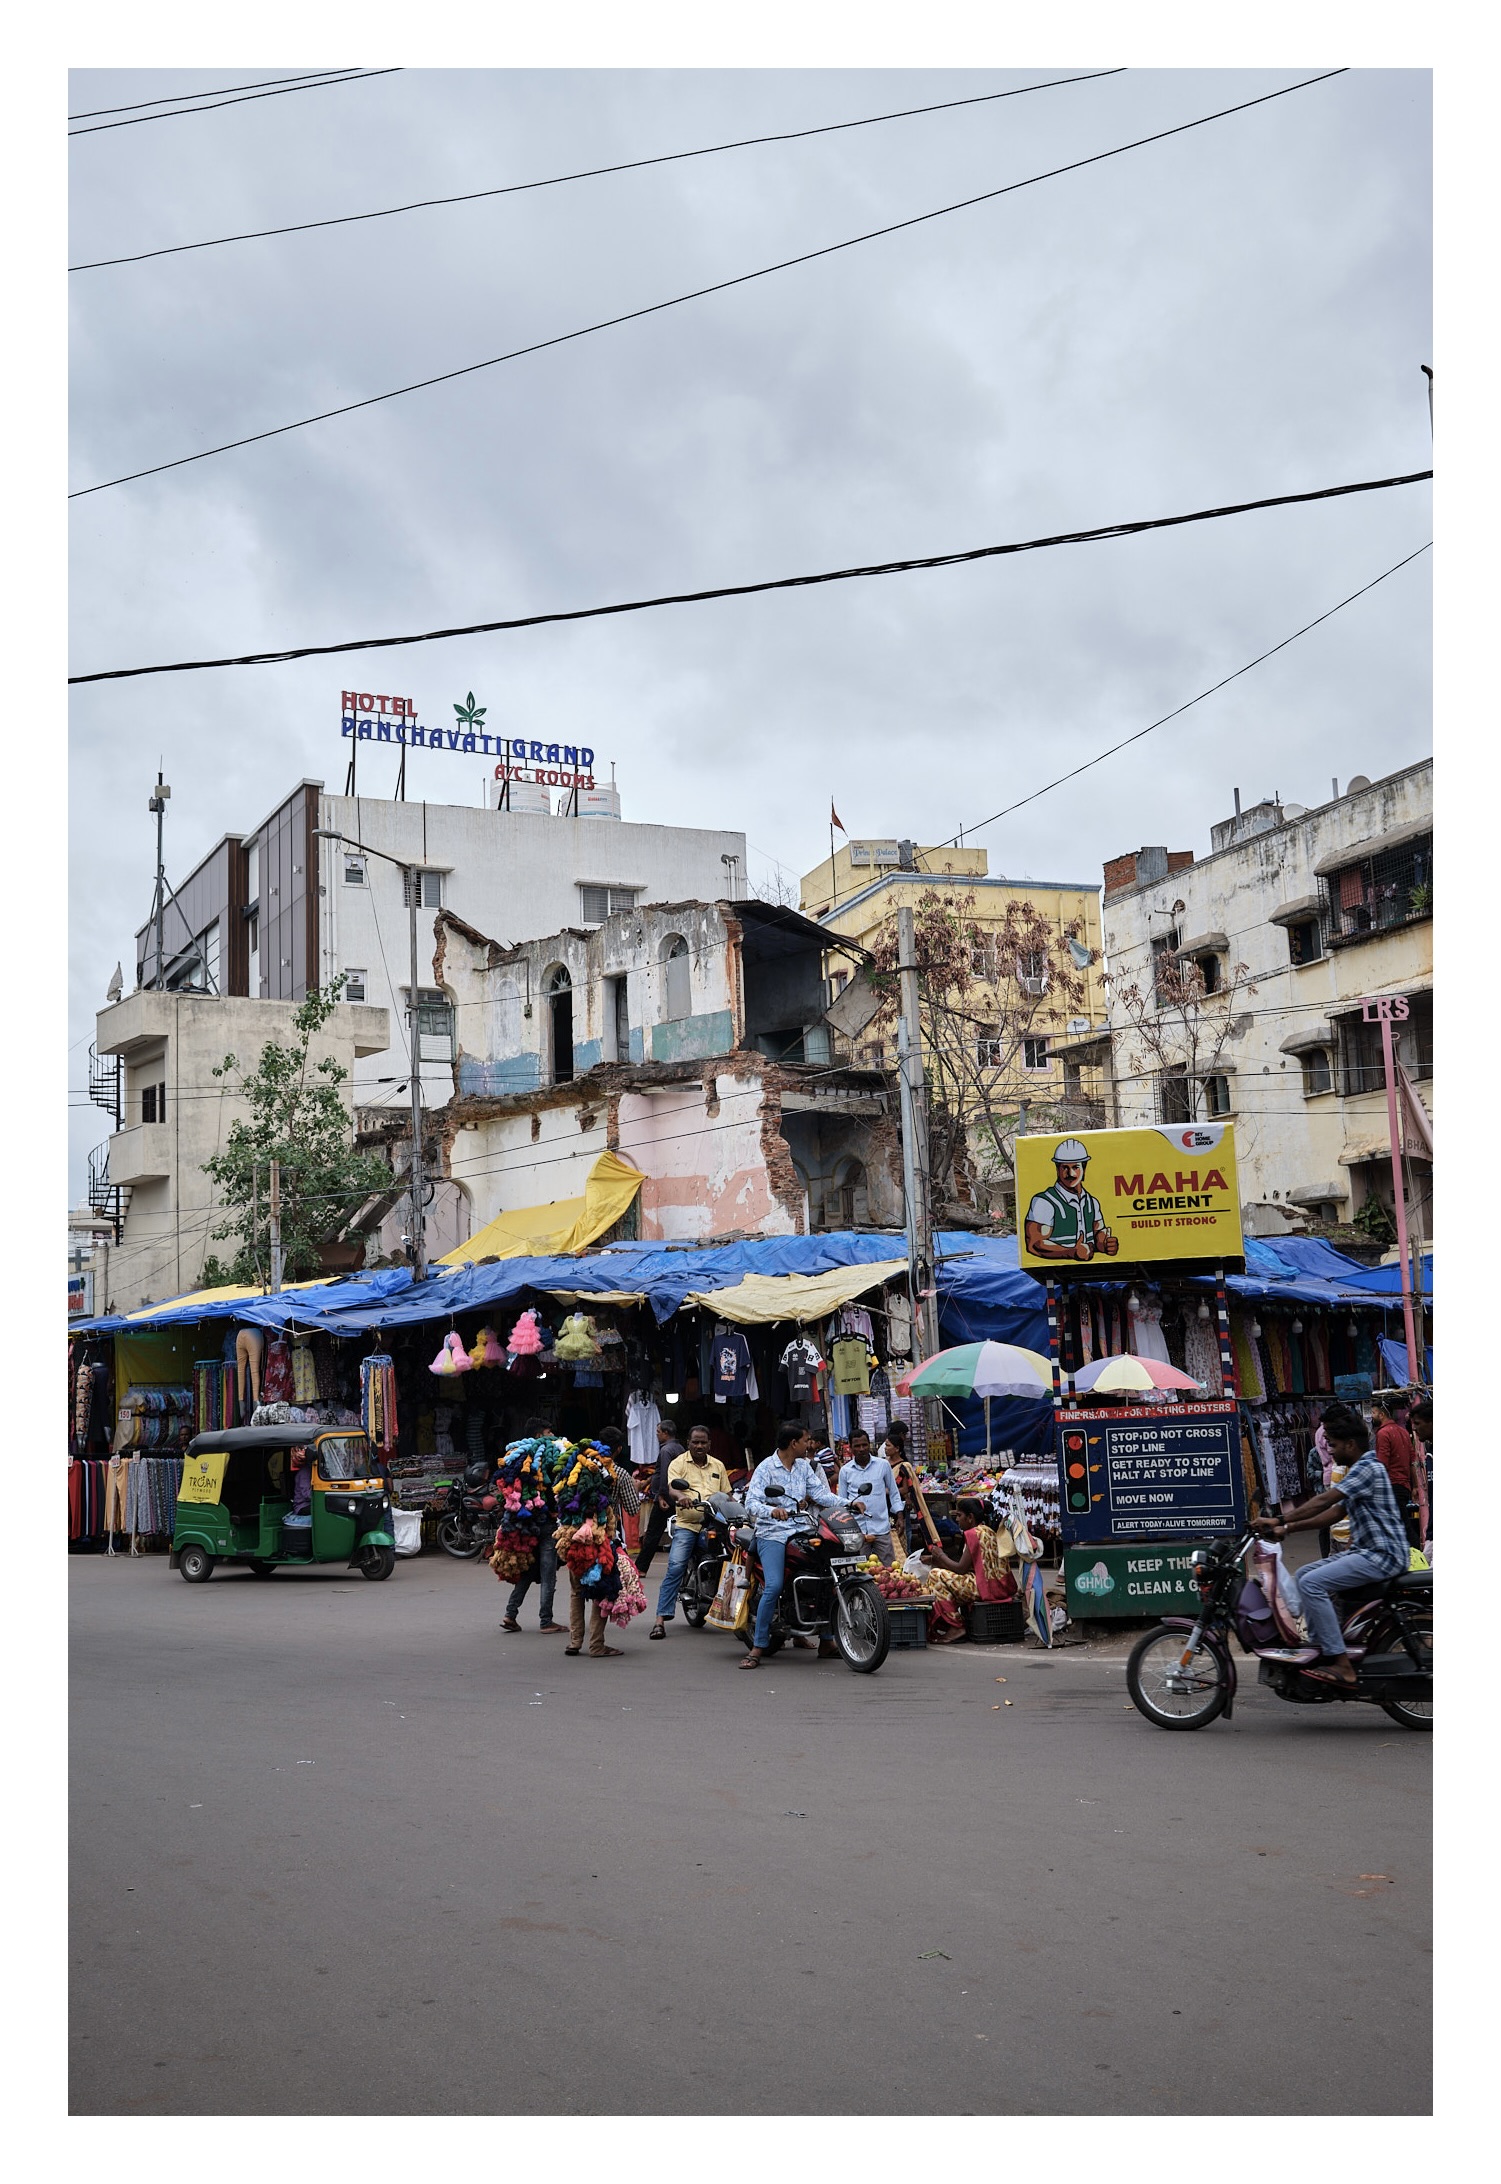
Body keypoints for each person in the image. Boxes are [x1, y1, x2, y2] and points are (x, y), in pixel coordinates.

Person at [1251, 1402, 1409, 1688]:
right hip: (1367, 1552)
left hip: (1381, 1555)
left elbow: (1326, 1500)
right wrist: (1288, 1528)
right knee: (1303, 1577)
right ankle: (1326, 1643)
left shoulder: (1367, 1468)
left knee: (1312, 1584)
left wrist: (1279, 1518)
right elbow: (1335, 1514)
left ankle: (1341, 1664)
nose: (1331, 1451)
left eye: (1334, 1445)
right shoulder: (1361, 1469)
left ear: (1351, 1443)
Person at [739, 1423, 842, 1669]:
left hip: (802, 1530)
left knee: (825, 1578)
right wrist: (772, 1510)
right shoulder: (766, 1467)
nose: (810, 1444)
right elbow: (750, 1502)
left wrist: (848, 1503)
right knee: (773, 1586)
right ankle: (757, 1647)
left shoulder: (804, 1467)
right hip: (772, 1533)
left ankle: (827, 1641)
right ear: (793, 1443)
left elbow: (821, 1494)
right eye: (806, 1440)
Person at [648, 1424, 732, 1638]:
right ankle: (660, 1620)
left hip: (714, 1525)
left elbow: (727, 1495)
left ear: (709, 1444)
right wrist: (681, 1497)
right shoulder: (678, 1463)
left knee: (733, 1561)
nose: (700, 1445)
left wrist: (739, 1507)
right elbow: (672, 1488)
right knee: (676, 1567)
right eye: (696, 1442)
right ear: (688, 1443)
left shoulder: (718, 1466)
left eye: (703, 1442)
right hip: (688, 1524)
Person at [565, 1437, 641, 1660]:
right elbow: (633, 1507)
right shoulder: (619, 1473)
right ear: (618, 1449)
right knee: (602, 1590)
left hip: (572, 1536)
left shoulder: (577, 1468)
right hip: (603, 1539)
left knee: (576, 1591)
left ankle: (574, 1641)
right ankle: (596, 1645)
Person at [501, 1418, 567, 1635]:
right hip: (546, 1521)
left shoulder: (518, 1455)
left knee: (530, 1570)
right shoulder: (547, 1454)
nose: (552, 1436)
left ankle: (510, 1614)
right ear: (539, 1435)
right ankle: (546, 1621)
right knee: (548, 1572)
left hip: (526, 1523)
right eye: (549, 1432)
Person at [1023, 1137, 1119, 1262]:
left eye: (1075, 1167)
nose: (1071, 1173)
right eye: (1065, 1168)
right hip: (1057, 1271)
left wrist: (1106, 1245)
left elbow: (1098, 1234)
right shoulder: (1044, 1202)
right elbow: (1035, 1244)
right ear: (1057, 1169)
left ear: (1084, 1169)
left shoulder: (1092, 1202)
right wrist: (1071, 1252)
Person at [926, 1496, 1019, 1602]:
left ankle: (951, 1618)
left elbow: (960, 1569)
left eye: (959, 1515)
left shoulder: (974, 1534)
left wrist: (940, 1555)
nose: (957, 1520)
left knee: (935, 1575)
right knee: (943, 1574)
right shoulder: (988, 1531)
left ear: (970, 1517)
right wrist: (935, 1560)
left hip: (986, 1588)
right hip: (999, 1585)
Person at [836, 1429, 905, 1565]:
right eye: (857, 1446)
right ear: (850, 1448)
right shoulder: (845, 1471)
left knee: (889, 1570)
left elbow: (894, 1492)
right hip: (857, 1531)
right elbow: (841, 1502)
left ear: (869, 1445)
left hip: (881, 1528)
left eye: (864, 1445)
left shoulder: (883, 1465)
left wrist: (900, 1516)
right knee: (860, 1571)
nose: (861, 1449)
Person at [632, 1419, 684, 1575]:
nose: (657, 1435)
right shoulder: (680, 1448)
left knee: (653, 1533)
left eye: (658, 1432)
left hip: (666, 1498)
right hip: (676, 1495)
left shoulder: (666, 1451)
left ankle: (640, 1567)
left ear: (666, 1433)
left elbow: (665, 1474)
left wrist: (661, 1495)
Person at [1372, 1395, 1421, 1547]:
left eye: (1373, 1413)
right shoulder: (1403, 1432)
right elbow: (1413, 1461)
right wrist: (1414, 1486)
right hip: (1403, 1486)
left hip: (1391, 1485)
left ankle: (1415, 1557)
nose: (1371, 1416)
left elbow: (1382, 1464)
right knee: (1401, 1523)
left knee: (1400, 1526)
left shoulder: (1383, 1433)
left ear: (1381, 1414)